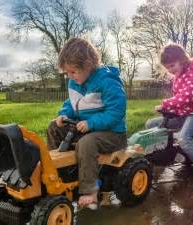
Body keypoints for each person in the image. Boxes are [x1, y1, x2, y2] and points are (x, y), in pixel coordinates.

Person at [46, 37, 127, 208]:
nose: (70, 76)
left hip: (112, 134)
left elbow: (116, 112)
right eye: (67, 73)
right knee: (53, 127)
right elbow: (71, 104)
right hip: (85, 128)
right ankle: (56, 173)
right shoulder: (75, 82)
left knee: (86, 143)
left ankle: (90, 190)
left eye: (73, 72)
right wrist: (63, 114)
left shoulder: (107, 81)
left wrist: (91, 123)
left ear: (88, 65)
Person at [146, 43, 193, 190]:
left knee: (183, 139)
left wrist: (165, 104)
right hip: (183, 115)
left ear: (182, 59)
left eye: (172, 65)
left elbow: (185, 97)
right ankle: (161, 156)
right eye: (168, 67)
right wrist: (170, 109)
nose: (170, 70)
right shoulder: (178, 76)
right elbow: (180, 101)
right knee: (151, 125)